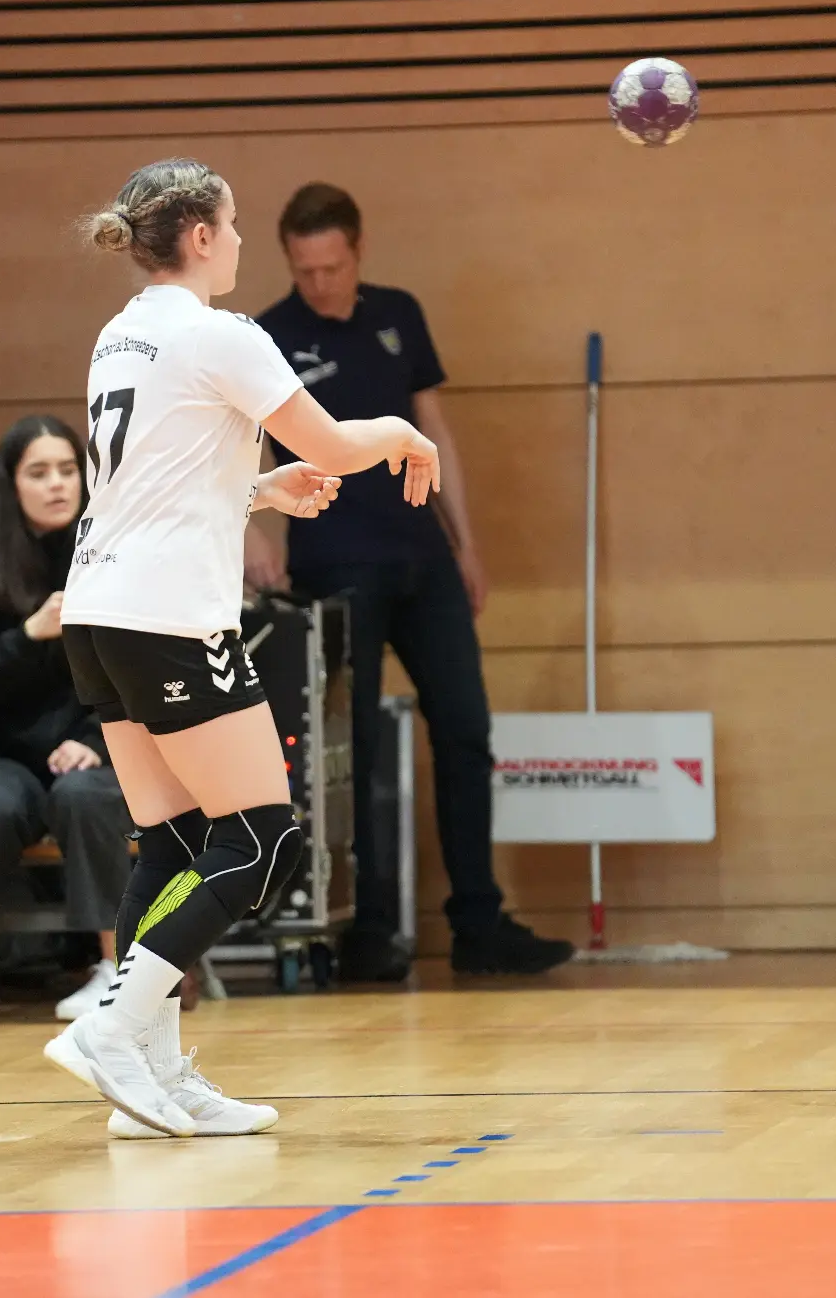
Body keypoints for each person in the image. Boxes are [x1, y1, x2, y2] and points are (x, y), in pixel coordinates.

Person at [41, 157, 440, 1139]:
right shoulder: (221, 332)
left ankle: (153, 1074)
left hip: (97, 611)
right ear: (200, 236)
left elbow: (156, 481)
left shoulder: (120, 333)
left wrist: (260, 491)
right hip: (170, 617)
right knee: (263, 837)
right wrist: (399, 431)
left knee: (175, 842)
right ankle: (115, 1027)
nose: (242, 241)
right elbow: (335, 442)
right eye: (232, 225)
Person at [247, 183, 574, 979]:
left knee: (465, 729)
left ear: (358, 251)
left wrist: (466, 543)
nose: (319, 283)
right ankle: (366, 930)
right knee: (350, 750)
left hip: (423, 558)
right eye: (304, 270)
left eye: (332, 267)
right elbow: (241, 445)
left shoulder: (398, 315)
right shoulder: (266, 336)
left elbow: (435, 431)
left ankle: (478, 922)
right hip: (333, 564)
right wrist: (252, 532)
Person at [0, 415, 135, 1027]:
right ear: (12, 484)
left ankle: (114, 971)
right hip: (10, 757)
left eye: (68, 470)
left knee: (84, 797)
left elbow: (143, 673)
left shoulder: (117, 554)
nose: (57, 484)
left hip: (100, 752)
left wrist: (95, 742)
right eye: (39, 472)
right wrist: (29, 635)